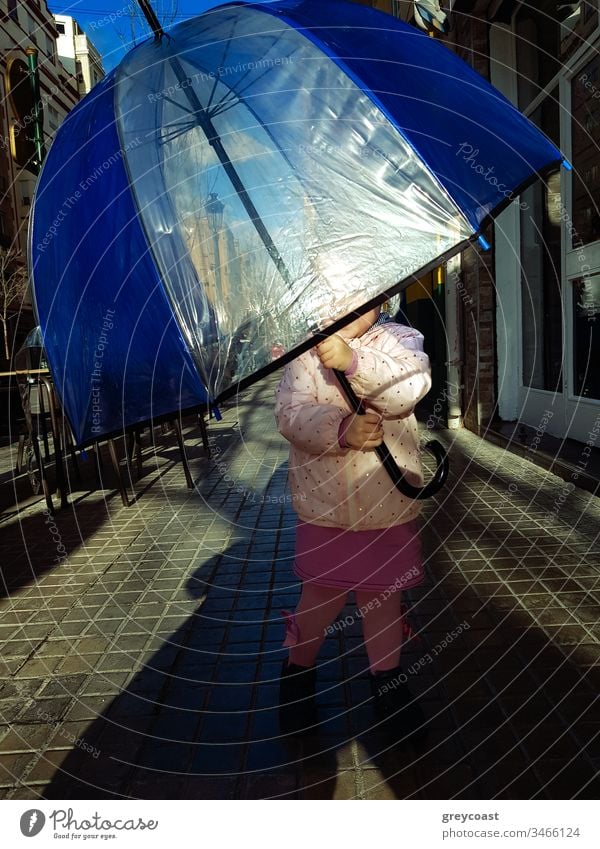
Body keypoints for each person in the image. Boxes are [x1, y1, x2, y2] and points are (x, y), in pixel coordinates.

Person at [274, 303, 432, 741]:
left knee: (383, 600)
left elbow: (410, 388)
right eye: (331, 297)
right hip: (325, 508)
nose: (342, 309)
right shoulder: (305, 354)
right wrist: (340, 430)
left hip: (387, 506)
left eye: (358, 298)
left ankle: (389, 685)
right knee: (319, 600)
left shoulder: (400, 340)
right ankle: (297, 677)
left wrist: (355, 362)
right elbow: (290, 415)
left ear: (381, 302)